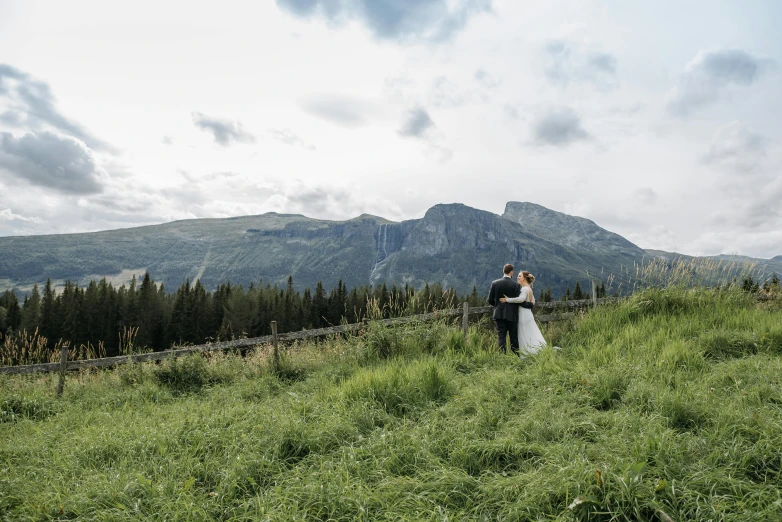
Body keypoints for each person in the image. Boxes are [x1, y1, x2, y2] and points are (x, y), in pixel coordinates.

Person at [500, 271, 546, 356]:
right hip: (528, 313)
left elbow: (521, 299)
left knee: (523, 333)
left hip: (523, 314)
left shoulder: (524, 289)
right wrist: (530, 304)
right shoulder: (529, 288)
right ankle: (536, 351)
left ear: (524, 278)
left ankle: (526, 354)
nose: (517, 277)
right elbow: (533, 302)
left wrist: (508, 299)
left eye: (519, 276)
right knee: (530, 332)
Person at [487, 263, 525, 354]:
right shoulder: (516, 285)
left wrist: (497, 305)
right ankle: (516, 356)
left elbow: (490, 300)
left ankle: (502, 357)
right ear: (511, 272)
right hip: (512, 314)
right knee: (513, 337)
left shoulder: (495, 283)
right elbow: (517, 300)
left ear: (503, 271)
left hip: (499, 314)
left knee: (501, 336)